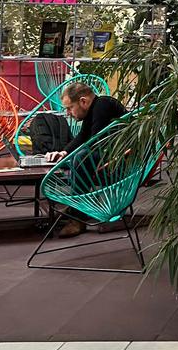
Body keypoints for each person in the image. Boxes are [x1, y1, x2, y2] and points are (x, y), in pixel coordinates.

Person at [45, 79, 128, 237]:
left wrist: (72, 156)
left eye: (70, 108)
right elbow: (83, 136)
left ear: (83, 101)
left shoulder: (102, 105)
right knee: (77, 157)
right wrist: (63, 153)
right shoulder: (95, 107)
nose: (68, 113)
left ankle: (77, 217)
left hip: (121, 164)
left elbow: (95, 143)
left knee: (82, 157)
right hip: (111, 158)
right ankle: (76, 207)